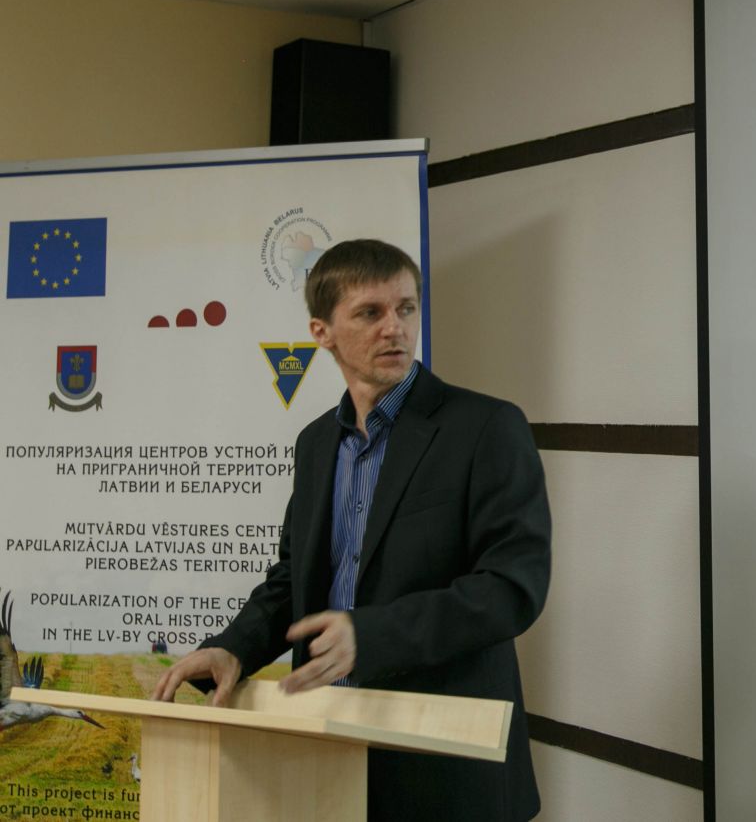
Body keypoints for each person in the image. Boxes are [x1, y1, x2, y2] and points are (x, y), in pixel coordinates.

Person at [152, 239, 552, 821]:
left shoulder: (486, 428)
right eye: (370, 313)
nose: (395, 328)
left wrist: (370, 635)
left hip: (445, 767)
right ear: (322, 332)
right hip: (323, 757)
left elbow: (512, 588)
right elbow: (293, 581)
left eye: (407, 308)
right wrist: (232, 648)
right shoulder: (316, 444)